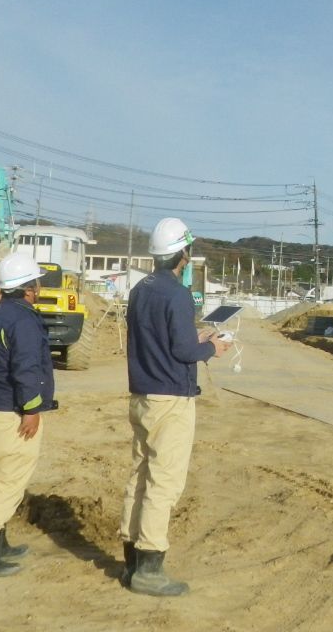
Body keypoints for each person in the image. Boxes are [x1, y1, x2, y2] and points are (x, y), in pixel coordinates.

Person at [119, 217, 230, 597]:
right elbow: (184, 351)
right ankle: (150, 568)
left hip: (142, 394)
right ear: (184, 253)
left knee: (140, 474)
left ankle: (130, 560)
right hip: (170, 399)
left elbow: (166, 340)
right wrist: (212, 346)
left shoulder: (141, 290)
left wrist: (195, 337)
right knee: (163, 482)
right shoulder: (178, 294)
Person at [0, 253, 57, 578]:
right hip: (13, 415)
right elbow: (27, 368)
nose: (40, 286)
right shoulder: (23, 320)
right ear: (28, 288)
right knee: (8, 483)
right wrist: (31, 409)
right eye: (37, 281)